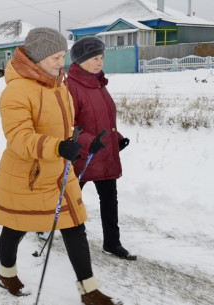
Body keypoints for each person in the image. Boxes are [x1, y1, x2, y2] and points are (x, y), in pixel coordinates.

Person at [0, 27, 122, 305]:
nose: (60, 62)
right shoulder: (16, 90)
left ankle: (89, 291)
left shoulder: (59, 84)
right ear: (38, 57)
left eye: (63, 56)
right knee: (15, 227)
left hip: (60, 172)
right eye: (55, 57)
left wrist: (83, 142)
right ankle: (7, 274)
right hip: (28, 175)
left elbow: (69, 127)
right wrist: (57, 147)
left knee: (75, 226)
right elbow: (19, 138)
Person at [67, 37, 136, 260]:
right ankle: (44, 226)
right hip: (82, 157)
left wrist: (117, 139)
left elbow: (104, 121)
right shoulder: (70, 87)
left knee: (109, 200)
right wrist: (89, 142)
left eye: (102, 58)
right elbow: (68, 124)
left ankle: (112, 243)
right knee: (69, 199)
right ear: (81, 60)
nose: (100, 63)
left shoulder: (99, 84)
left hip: (104, 154)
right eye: (95, 58)